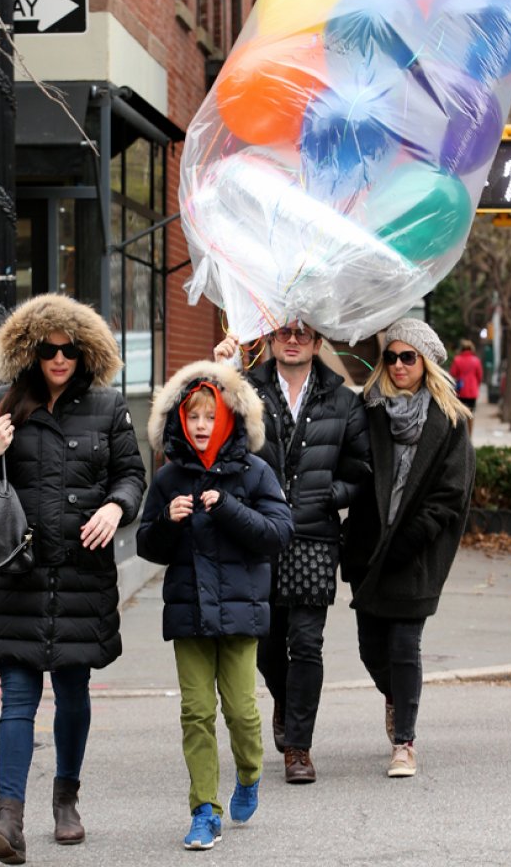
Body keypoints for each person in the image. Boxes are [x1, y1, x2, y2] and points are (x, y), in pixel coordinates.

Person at [0, 293, 146, 865]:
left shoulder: (108, 405)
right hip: (17, 576)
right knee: (17, 697)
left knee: (73, 693)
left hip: (81, 576)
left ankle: (66, 798)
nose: (59, 358)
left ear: (85, 352)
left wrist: (117, 507)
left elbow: (131, 474)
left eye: (70, 350)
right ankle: (9, 819)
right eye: (48, 350)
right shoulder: (1, 404)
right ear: (30, 353)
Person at [137, 360, 294, 850]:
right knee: (196, 712)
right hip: (189, 612)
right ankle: (204, 809)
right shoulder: (168, 478)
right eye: (192, 417)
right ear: (180, 421)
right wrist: (168, 520)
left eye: (210, 417)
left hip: (242, 610)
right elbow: (147, 544)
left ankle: (248, 774)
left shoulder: (254, 471)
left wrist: (227, 508)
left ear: (228, 420)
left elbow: (278, 534)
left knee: (243, 713)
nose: (201, 426)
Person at [214, 323, 370, 784]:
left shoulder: (343, 401)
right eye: (285, 331)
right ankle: (285, 699)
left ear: (318, 342)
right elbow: (213, 437)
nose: (294, 339)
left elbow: (361, 468)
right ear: (272, 338)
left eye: (304, 332)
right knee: (264, 643)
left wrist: (329, 494)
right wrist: (222, 373)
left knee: (305, 643)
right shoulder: (245, 389)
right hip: (258, 533)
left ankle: (299, 747)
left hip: (315, 537)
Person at [342, 318, 475, 779]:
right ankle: (396, 696)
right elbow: (351, 473)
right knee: (370, 649)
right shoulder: (367, 411)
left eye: (408, 357)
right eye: (391, 357)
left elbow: (450, 495)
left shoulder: (450, 420)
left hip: (415, 555)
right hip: (366, 552)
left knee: (404, 645)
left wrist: (409, 539)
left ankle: (405, 743)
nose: (398, 365)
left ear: (426, 363)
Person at [450, 339, 483, 436]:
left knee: (460, 414)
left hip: (461, 391)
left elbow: (453, 373)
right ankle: (470, 436)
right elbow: (480, 376)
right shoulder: (476, 360)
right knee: (471, 414)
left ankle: (461, 436)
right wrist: (476, 385)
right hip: (472, 391)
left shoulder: (457, 359)